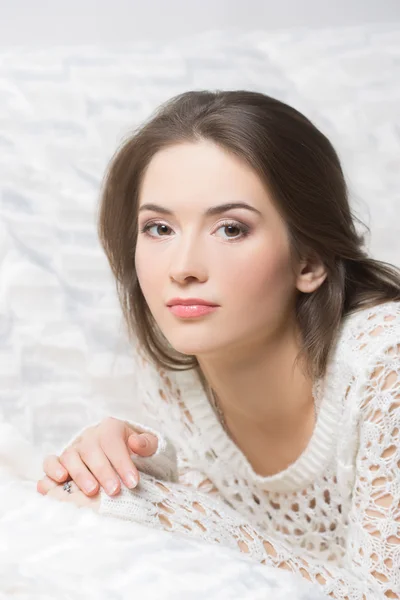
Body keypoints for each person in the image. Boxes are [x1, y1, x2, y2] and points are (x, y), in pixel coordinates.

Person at [37, 90, 400, 598]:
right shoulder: (177, 361)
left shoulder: (386, 367)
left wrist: (163, 510)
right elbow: (216, 543)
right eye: (159, 228)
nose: (182, 267)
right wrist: (137, 468)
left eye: (231, 229)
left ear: (310, 261)